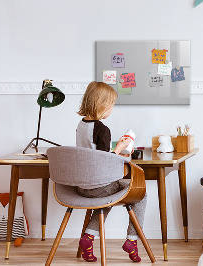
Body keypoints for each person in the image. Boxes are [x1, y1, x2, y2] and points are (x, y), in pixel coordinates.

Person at [76, 81, 146, 263]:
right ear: (102, 105)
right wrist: (120, 149)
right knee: (141, 194)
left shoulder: (81, 125)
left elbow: (93, 154)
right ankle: (132, 240)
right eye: (112, 105)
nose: (112, 109)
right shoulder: (102, 129)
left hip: (82, 186)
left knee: (106, 198)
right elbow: (103, 161)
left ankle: (88, 238)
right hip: (99, 186)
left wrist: (115, 149)